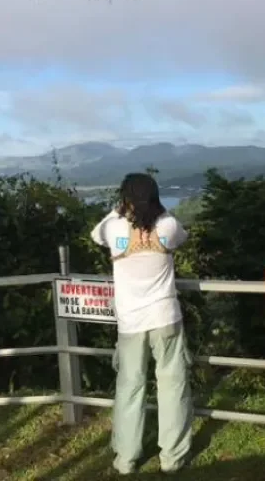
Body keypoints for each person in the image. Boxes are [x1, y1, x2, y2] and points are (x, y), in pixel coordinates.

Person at [89, 173, 193, 475]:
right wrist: (159, 211)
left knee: (130, 387)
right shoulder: (168, 226)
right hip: (165, 317)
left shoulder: (113, 226)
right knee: (172, 386)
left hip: (130, 322)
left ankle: (126, 458)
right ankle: (172, 457)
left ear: (125, 198)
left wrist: (118, 209)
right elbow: (181, 236)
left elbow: (96, 234)